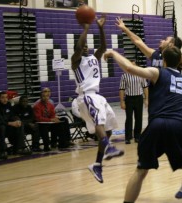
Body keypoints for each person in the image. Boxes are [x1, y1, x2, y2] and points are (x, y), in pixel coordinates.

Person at [116, 17, 182, 198]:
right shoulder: (155, 55)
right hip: (162, 105)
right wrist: (124, 28)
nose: (162, 40)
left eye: (166, 39)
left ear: (172, 46)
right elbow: (137, 42)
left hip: (175, 99)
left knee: (150, 164)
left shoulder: (179, 58)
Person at [71, 15, 124, 183]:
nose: (85, 47)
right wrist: (86, 28)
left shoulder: (94, 57)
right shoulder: (75, 61)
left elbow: (103, 46)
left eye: (87, 45)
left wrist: (100, 27)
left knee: (108, 129)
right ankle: (108, 148)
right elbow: (78, 47)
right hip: (86, 97)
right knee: (100, 124)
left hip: (98, 96)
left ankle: (97, 164)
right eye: (83, 46)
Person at [0, 91, 31, 159]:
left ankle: (19, 148)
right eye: (3, 98)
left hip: (8, 127)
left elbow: (11, 116)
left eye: (6, 97)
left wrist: (17, 120)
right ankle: (2, 151)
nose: (5, 99)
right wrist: (10, 123)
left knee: (20, 124)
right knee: (2, 127)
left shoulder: (8, 104)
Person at [119, 60, 148, 144]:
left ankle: (137, 136)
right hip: (129, 99)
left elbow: (145, 87)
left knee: (139, 118)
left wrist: (146, 99)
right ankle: (128, 137)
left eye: (134, 65)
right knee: (129, 118)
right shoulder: (124, 76)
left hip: (139, 98)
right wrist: (122, 101)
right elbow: (121, 89)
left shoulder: (141, 75)